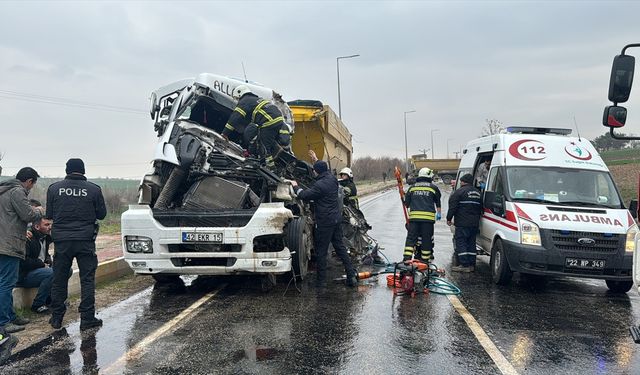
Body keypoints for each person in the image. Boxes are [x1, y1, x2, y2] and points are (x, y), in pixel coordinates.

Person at [47, 158, 107, 331]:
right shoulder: (94, 189)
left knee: (59, 279)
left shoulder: (54, 189)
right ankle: (87, 318)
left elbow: (50, 214)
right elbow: (101, 215)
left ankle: (57, 318)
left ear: (66, 170)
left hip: (62, 241)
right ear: (83, 170)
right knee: (87, 279)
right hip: (85, 240)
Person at [290, 160, 358, 288]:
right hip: (336, 219)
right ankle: (351, 276)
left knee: (321, 251)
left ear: (317, 171)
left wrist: (295, 186)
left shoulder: (320, 185)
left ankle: (321, 282)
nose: (313, 172)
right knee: (340, 247)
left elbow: (304, 195)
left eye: (315, 170)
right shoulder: (332, 179)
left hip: (325, 222)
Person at [0, 167, 42, 335]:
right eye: (32, 185)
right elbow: (28, 215)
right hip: (9, 244)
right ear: (29, 181)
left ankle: (10, 316)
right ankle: (4, 322)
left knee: (6, 281)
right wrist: (39, 210)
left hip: (3, 242)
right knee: (6, 283)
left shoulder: (4, 190)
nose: (30, 188)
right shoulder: (17, 191)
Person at [222, 85, 287, 169]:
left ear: (239, 94)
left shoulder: (245, 101)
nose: (237, 101)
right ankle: (276, 151)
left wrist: (225, 133)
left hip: (268, 121)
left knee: (263, 146)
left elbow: (235, 118)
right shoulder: (255, 99)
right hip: (277, 119)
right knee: (266, 140)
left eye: (237, 99)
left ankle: (271, 169)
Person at [402, 167, 442, 262]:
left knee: (411, 239)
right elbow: (438, 203)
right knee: (426, 240)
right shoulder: (433, 188)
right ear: (428, 176)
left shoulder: (412, 188)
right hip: (428, 221)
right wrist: (439, 213)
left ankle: (406, 260)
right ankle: (424, 261)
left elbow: (406, 205)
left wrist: (404, 198)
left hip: (414, 220)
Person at [17, 216, 54, 313]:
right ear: (37, 227)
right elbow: (24, 262)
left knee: (66, 270)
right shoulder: (28, 238)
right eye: (46, 225)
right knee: (53, 273)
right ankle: (38, 305)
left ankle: (53, 300)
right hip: (25, 275)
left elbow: (44, 255)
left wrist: (48, 260)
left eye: (50, 224)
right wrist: (41, 264)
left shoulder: (46, 237)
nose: (50, 227)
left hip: (40, 271)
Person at [446, 174, 482, 272]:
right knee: (471, 243)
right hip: (474, 224)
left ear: (463, 182)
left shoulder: (459, 192)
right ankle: (471, 264)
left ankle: (464, 265)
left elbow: (453, 207)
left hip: (462, 223)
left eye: (461, 181)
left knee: (461, 242)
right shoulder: (478, 193)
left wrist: (448, 218)